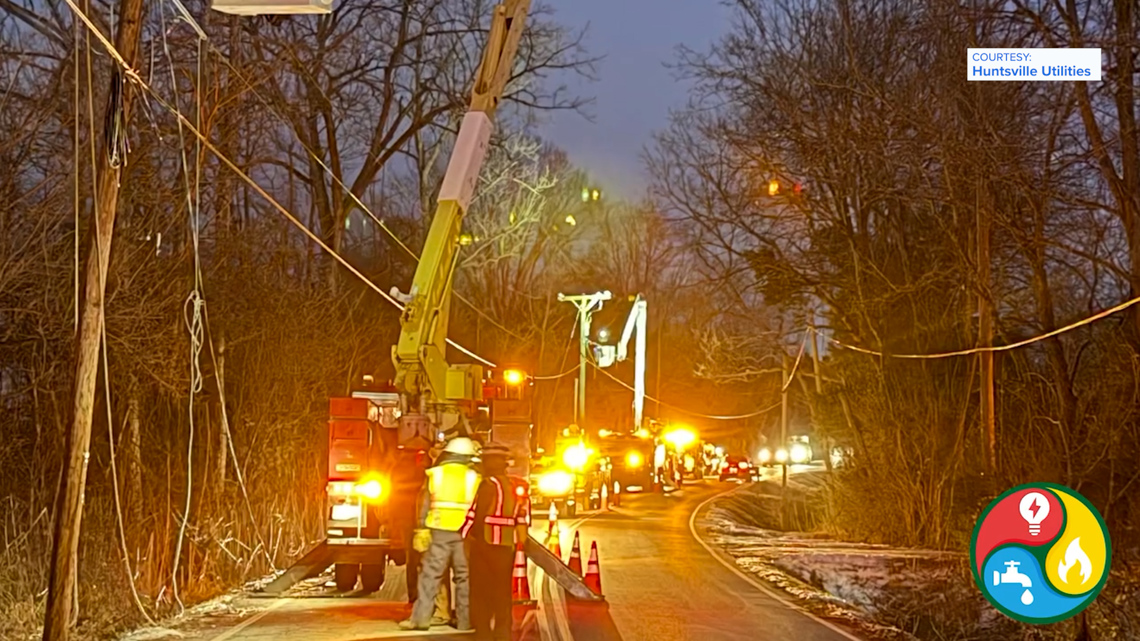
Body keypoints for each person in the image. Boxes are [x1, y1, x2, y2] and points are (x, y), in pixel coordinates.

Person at [399, 437, 481, 631]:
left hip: (438, 531)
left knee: (430, 577)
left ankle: (420, 620)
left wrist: (421, 529)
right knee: (464, 578)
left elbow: (425, 503)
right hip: (464, 534)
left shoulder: (436, 474)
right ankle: (464, 621)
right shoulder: (474, 477)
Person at [462, 442, 530, 641]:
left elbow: (477, 515)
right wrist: (521, 542)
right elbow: (521, 517)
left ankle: (483, 633)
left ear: (488, 463)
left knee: (481, 590)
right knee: (502, 591)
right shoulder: (512, 486)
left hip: (485, 544)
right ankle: (503, 632)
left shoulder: (488, 485)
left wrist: (466, 536)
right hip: (505, 546)